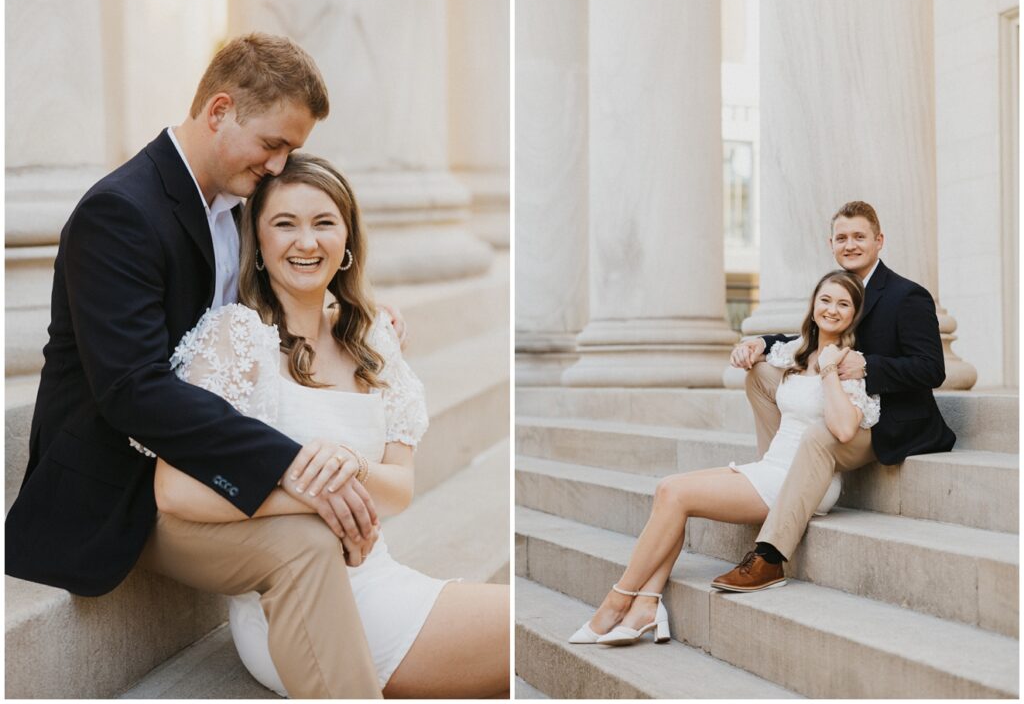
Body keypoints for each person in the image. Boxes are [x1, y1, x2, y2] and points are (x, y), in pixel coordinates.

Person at [5, 34, 390, 697]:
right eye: (273, 144)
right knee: (306, 536)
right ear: (219, 111)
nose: (279, 166)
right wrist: (291, 462)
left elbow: (284, 284)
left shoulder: (239, 208)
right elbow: (134, 390)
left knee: (316, 523)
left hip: (195, 474)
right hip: (116, 491)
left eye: (291, 150)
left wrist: (352, 315)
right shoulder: (120, 212)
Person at [151, 154, 509, 697]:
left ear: (347, 239)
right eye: (284, 224)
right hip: (293, 600)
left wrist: (354, 467)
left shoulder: (373, 340)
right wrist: (315, 492)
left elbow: (399, 488)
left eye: (323, 223)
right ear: (259, 242)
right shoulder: (236, 338)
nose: (306, 242)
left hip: (377, 578)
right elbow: (175, 492)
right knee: (526, 635)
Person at [570, 270, 879, 645]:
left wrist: (830, 368)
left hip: (803, 481)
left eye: (843, 304)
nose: (832, 309)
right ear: (813, 304)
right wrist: (747, 347)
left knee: (675, 493)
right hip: (772, 465)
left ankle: (617, 602)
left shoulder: (851, 364)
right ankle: (645, 606)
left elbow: (845, 430)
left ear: (854, 315)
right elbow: (761, 351)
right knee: (669, 493)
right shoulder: (796, 352)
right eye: (825, 300)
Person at [712, 201, 955, 592]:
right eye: (842, 238)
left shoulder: (907, 296)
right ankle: (780, 474)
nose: (850, 244)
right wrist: (761, 341)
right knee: (759, 373)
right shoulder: (839, 288)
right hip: (839, 402)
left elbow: (931, 369)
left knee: (820, 435)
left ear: (879, 241)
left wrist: (868, 366)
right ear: (831, 244)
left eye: (860, 236)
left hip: (887, 419)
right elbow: (812, 336)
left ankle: (770, 558)